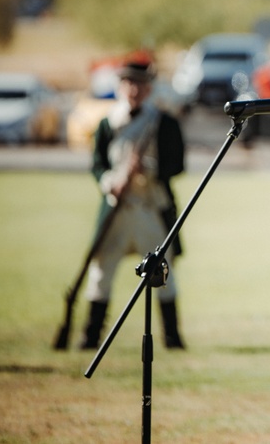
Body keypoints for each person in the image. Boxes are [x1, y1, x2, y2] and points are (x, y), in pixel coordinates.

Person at [80, 56, 187, 350]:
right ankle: (90, 336)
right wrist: (110, 181)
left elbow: (176, 164)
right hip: (117, 205)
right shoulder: (107, 122)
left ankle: (172, 337)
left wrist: (149, 170)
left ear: (149, 88)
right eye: (128, 83)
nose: (134, 90)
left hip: (150, 206)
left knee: (163, 272)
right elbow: (98, 164)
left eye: (140, 84)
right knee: (101, 272)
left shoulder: (163, 122)